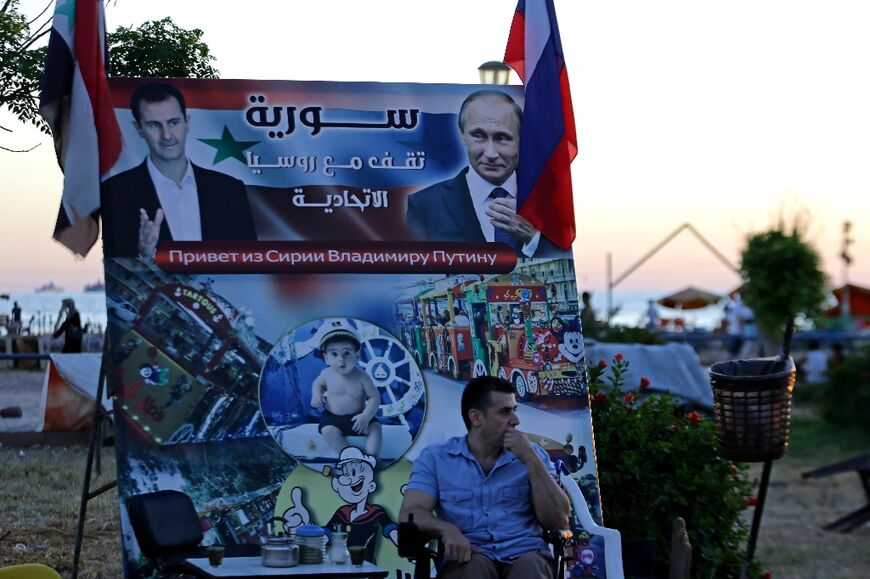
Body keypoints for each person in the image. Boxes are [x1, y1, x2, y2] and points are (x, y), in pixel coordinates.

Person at [399, 376, 569, 579]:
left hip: (526, 553)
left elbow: (559, 521)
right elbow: (410, 513)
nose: (516, 420)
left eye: (514, 410)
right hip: (469, 554)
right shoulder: (436, 459)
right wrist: (446, 529)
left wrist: (532, 461)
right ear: (476, 417)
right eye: (505, 412)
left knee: (530, 568)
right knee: (472, 568)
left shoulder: (534, 455)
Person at [101, 82, 257, 258]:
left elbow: (249, 263)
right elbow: (115, 270)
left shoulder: (230, 189)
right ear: (139, 128)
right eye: (154, 125)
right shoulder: (115, 192)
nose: (166, 135)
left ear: (187, 122)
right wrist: (143, 254)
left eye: (173, 122)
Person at [405, 90, 563, 258]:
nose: (490, 153)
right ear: (462, 134)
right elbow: (414, 270)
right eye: (478, 136)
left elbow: (564, 260)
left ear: (522, 138)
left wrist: (533, 238)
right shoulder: (425, 205)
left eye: (502, 138)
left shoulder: (550, 200)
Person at [311, 326, 382, 457]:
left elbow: (374, 397)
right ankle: (350, 456)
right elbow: (318, 384)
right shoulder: (326, 374)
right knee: (328, 431)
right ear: (326, 358)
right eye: (334, 354)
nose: (341, 359)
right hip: (333, 417)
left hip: (359, 416)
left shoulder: (362, 377)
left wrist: (366, 416)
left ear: (357, 355)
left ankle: (372, 456)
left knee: (376, 428)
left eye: (347, 353)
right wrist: (317, 395)